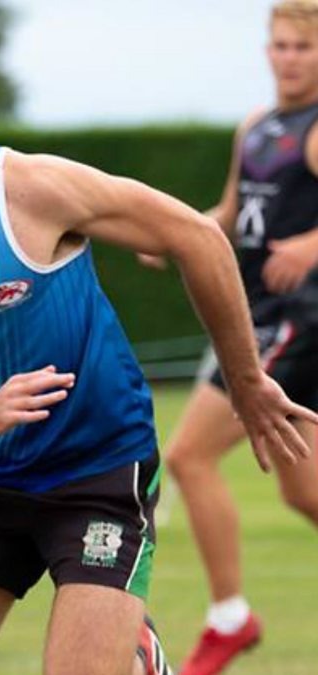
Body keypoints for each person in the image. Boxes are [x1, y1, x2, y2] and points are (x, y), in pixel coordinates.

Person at [0, 17, 318, 675]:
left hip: (96, 468)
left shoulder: (27, 190)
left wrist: (245, 381)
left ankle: (136, 655)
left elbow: (199, 236)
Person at [152, 2, 318, 673]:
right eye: (278, 45)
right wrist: (168, 229)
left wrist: (310, 245)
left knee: (189, 456)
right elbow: (229, 212)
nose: (287, 58)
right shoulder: (255, 126)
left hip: (296, 321)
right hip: (262, 317)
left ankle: (229, 617)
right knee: (302, 492)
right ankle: (231, 617)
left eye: (301, 48)